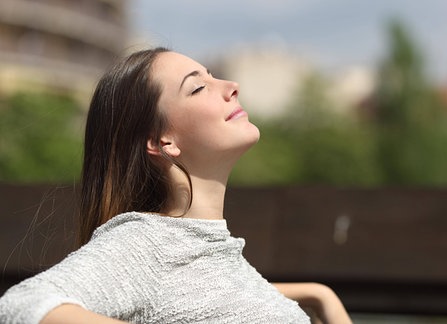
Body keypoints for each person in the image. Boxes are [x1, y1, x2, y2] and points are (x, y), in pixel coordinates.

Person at [0, 47, 352, 324]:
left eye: (212, 77)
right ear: (163, 142)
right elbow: (21, 306)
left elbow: (198, 295)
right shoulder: (147, 244)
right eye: (199, 87)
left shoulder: (211, 254)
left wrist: (320, 295)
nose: (231, 87)